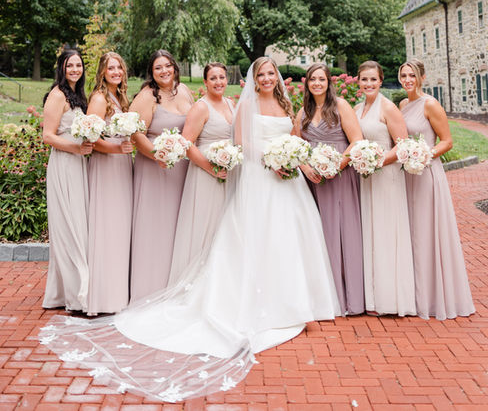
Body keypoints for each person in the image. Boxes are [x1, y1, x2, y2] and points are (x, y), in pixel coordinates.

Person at [39, 57, 340, 401]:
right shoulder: (237, 106)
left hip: (287, 183)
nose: (268, 77)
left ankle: (295, 301)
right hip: (256, 179)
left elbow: (293, 138)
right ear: (252, 79)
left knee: (288, 241)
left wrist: (294, 159)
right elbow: (240, 144)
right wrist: (269, 160)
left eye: (272, 73)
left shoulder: (278, 105)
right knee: (255, 240)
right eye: (262, 73)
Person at [398, 58, 475, 320]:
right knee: (413, 233)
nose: (407, 80)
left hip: (428, 174)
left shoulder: (430, 104)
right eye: (403, 75)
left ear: (422, 77)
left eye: (412, 75)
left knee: (427, 232)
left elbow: (447, 141)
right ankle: (416, 294)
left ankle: (435, 297)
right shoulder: (403, 105)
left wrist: (424, 155)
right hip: (408, 175)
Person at [295, 62, 365, 315]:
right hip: (314, 181)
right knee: (320, 234)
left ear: (328, 82)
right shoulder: (303, 111)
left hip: (340, 177)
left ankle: (349, 297)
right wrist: (305, 168)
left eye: (321, 79)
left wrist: (336, 165)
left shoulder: (340, 106)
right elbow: (295, 144)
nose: (317, 83)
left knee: (343, 231)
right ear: (307, 83)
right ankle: (326, 297)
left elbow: (357, 140)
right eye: (312, 79)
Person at [129, 49, 194, 300]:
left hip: (182, 169)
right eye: (158, 67)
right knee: (156, 226)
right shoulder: (146, 96)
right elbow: (136, 135)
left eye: (167, 66)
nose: (164, 71)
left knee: (178, 226)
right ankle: (150, 288)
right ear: (151, 72)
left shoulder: (184, 90)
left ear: (175, 67)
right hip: (154, 170)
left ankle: (177, 285)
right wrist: (158, 156)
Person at [355, 60, 415, 316]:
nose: (368, 84)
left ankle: (391, 300)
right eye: (364, 79)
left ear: (381, 81)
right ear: (358, 81)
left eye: (373, 79)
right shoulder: (357, 109)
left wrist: (377, 162)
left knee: (386, 233)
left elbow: (403, 145)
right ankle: (373, 298)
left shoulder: (388, 108)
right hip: (366, 178)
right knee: (370, 233)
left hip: (386, 177)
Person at [168, 62, 233, 284]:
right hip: (206, 175)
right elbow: (186, 144)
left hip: (228, 174)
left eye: (221, 77)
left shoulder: (231, 104)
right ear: (205, 82)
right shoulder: (201, 107)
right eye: (213, 78)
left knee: (224, 226)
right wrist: (210, 167)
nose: (218, 82)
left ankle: (222, 281)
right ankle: (198, 282)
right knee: (206, 225)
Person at [42, 48, 92, 312]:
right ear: (62, 68)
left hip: (79, 165)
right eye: (70, 65)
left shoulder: (78, 96)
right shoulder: (57, 95)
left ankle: (73, 288)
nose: (75, 69)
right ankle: (74, 294)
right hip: (64, 164)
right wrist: (75, 148)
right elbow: (48, 136)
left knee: (79, 224)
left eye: (78, 65)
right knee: (68, 226)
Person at [86, 52, 134, 314]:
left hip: (122, 165)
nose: (116, 72)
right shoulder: (98, 99)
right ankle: (104, 297)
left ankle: (119, 292)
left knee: (120, 226)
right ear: (102, 72)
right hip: (106, 166)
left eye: (119, 68)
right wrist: (116, 149)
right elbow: (91, 139)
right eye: (111, 68)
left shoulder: (120, 97)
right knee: (108, 225)